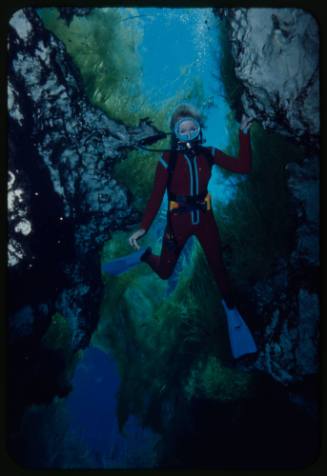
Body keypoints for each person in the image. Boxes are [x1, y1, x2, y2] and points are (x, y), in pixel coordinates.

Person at [126, 103, 257, 358]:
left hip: (206, 220)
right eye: (182, 130)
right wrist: (143, 227)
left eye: (192, 128)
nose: (187, 134)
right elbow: (155, 197)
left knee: (219, 268)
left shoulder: (210, 153)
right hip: (178, 222)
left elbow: (243, 166)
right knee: (164, 272)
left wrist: (244, 133)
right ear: (175, 133)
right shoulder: (167, 159)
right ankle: (145, 256)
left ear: (199, 130)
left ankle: (231, 310)